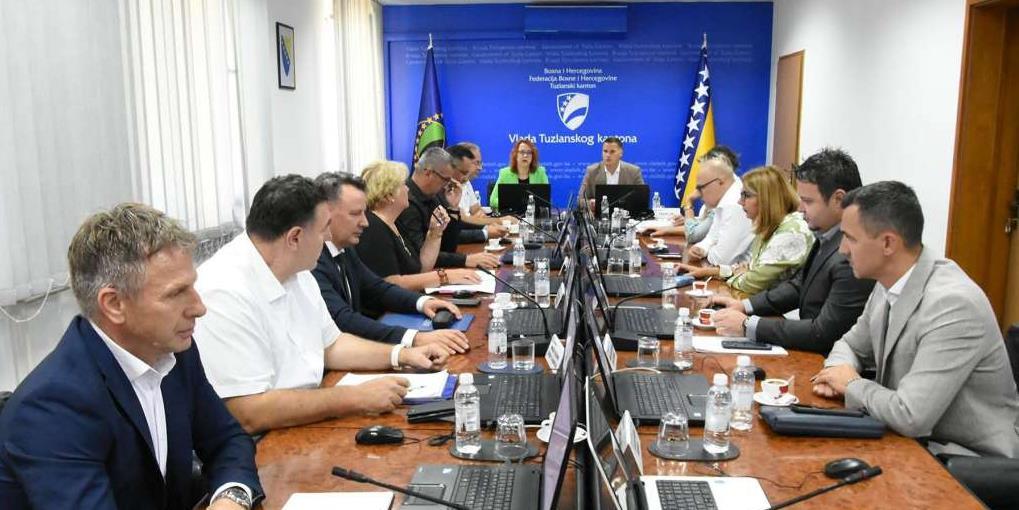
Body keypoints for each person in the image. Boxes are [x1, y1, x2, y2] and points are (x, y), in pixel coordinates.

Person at [0, 203, 262, 509]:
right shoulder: (52, 406)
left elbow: (227, 440)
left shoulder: (171, 350)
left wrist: (232, 497)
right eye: (176, 293)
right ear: (114, 304)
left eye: (192, 286)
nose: (199, 307)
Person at [194, 175, 449, 434]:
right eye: (323, 229)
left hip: (305, 417)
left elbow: (332, 345)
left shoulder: (297, 268)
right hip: (264, 438)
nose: (328, 236)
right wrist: (355, 397)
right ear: (295, 237)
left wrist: (401, 355)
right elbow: (248, 411)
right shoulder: (224, 291)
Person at [812, 181, 1019, 458]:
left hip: (966, 461)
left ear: (888, 243)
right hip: (907, 442)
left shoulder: (953, 303)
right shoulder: (887, 281)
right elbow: (850, 344)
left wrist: (851, 385)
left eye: (850, 238)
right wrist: (835, 373)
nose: (842, 250)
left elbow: (910, 415)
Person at [711, 148, 875, 354]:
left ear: (839, 199)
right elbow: (799, 286)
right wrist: (746, 306)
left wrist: (748, 325)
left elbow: (823, 333)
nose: (800, 208)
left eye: (808, 201)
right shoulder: (828, 236)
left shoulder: (854, 254)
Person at [312, 172, 470, 355]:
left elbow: (377, 288)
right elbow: (343, 319)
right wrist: (414, 338)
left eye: (364, 212)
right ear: (325, 215)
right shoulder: (313, 261)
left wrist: (422, 302)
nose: (365, 222)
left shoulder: (345, 248)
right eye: (355, 214)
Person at [678, 166, 813, 295]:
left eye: (746, 195)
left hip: (781, 309)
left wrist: (741, 275)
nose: (739, 202)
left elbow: (753, 282)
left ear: (766, 198)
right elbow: (752, 269)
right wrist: (709, 272)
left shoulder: (791, 231)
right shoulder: (770, 225)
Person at [357, 160, 484, 291]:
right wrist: (445, 276)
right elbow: (391, 282)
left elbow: (421, 268)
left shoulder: (394, 222)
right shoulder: (373, 228)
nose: (407, 188)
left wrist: (434, 233)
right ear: (389, 195)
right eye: (402, 185)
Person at [397, 147, 501, 269]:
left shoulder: (433, 197)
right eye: (446, 179)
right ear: (428, 173)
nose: (447, 184)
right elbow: (420, 256)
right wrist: (465, 260)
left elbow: (448, 246)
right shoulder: (406, 203)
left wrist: (453, 208)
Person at [648, 146, 740, 243]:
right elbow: (705, 228)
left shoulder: (730, 197)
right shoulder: (723, 188)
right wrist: (666, 229)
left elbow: (693, 235)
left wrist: (689, 202)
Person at [684, 149, 754, 266]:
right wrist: (700, 248)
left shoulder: (735, 204)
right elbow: (711, 237)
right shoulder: (724, 198)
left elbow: (721, 259)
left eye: (701, 188)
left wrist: (705, 251)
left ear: (720, 182)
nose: (699, 194)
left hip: (738, 274)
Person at [448, 144, 508, 243]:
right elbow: (462, 220)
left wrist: (485, 223)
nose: (480, 168)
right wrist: (498, 222)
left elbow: (476, 210)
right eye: (476, 163)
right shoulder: (444, 188)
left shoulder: (465, 182)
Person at [579, 137, 645, 206]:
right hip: (600, 212)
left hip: (626, 212)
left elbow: (642, 198)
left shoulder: (633, 171)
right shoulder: (592, 171)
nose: (608, 155)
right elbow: (580, 200)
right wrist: (590, 203)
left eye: (612, 152)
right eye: (605, 151)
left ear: (621, 153)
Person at [488, 139, 550, 211]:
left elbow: (546, 199)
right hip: (511, 215)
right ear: (516, 155)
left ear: (533, 156)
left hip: (534, 215)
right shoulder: (505, 173)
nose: (525, 155)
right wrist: (512, 203)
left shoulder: (541, 172)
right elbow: (493, 201)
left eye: (529, 152)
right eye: (522, 152)